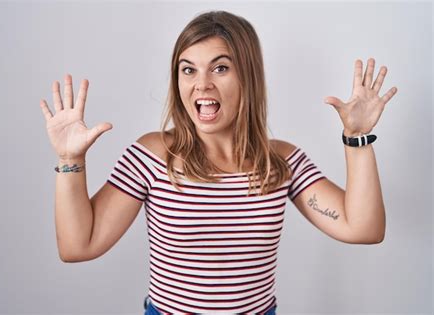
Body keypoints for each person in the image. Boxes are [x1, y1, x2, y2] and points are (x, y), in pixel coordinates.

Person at [39, 10, 397, 315]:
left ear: (248, 76)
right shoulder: (152, 156)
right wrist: (70, 159)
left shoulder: (280, 162)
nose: (201, 84)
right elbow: (77, 246)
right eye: (188, 70)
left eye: (220, 68)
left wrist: (358, 138)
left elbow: (362, 229)